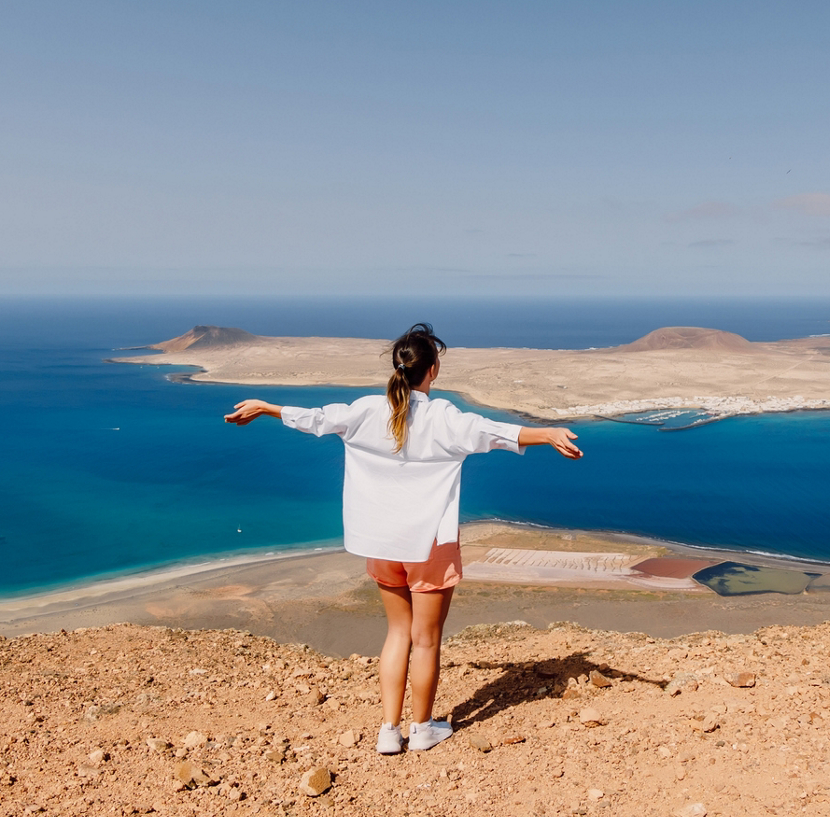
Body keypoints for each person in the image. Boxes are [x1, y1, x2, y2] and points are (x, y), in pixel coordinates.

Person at [224, 323, 582, 753]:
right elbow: (494, 432)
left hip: (381, 543)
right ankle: (423, 728)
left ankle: (389, 732)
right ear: (432, 371)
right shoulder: (443, 416)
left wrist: (265, 407)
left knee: (398, 634)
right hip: (430, 544)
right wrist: (550, 434)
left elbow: (316, 419)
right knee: (426, 639)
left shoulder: (367, 410)